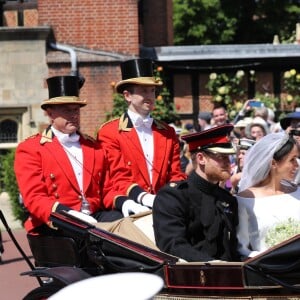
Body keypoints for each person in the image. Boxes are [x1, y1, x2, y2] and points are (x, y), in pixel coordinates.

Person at [14, 75, 147, 235]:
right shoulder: (31, 148)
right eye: (66, 110)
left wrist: (124, 202)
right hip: (55, 221)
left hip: (94, 217)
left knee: (135, 229)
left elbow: (106, 189)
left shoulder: (94, 147)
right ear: (50, 114)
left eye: (76, 110)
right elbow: (34, 198)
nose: (74, 115)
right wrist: (68, 214)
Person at [97, 58, 186, 210]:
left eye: (152, 90)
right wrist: (142, 198)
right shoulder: (110, 132)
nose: (150, 96)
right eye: (144, 90)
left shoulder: (167, 132)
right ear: (127, 96)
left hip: (164, 206)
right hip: (130, 206)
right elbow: (118, 177)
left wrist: (171, 198)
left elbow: (176, 174)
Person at [152, 124, 240, 262]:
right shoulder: (173, 196)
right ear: (201, 158)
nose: (227, 163)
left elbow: (232, 248)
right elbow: (173, 245)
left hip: (228, 276)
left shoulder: (227, 199)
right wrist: (212, 265)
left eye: (228, 157)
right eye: (221, 157)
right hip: (189, 278)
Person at [236, 133, 300, 259]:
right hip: (267, 270)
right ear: (273, 163)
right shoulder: (245, 200)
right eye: (292, 160)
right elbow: (242, 247)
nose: (297, 165)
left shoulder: (298, 193)